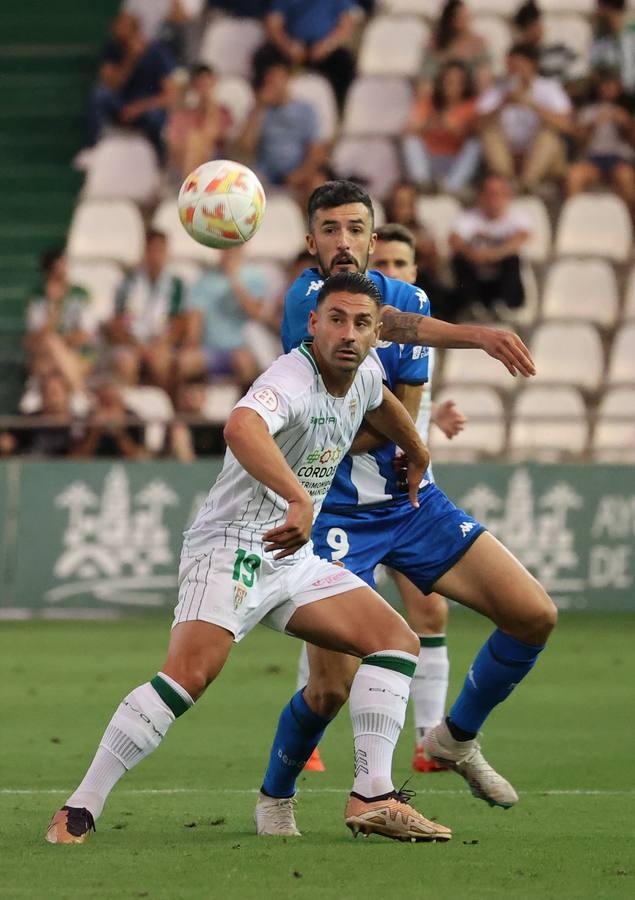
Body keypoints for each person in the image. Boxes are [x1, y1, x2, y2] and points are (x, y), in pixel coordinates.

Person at [46, 272, 453, 845]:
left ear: (375, 332)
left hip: (293, 557)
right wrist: (296, 495)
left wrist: (416, 447)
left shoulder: (364, 372)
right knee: (187, 678)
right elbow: (241, 425)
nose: (349, 333)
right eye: (336, 319)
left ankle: (372, 793)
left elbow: (381, 403)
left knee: (396, 640)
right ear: (313, 324)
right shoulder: (291, 375)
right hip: (234, 544)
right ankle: (79, 806)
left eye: (363, 323)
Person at [255, 179, 555, 838]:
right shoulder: (305, 302)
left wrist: (404, 435)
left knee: (532, 614)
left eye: (355, 229)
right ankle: (276, 793)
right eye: (328, 229)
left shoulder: (412, 298)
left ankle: (452, 737)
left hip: (406, 501)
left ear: (371, 234)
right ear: (311, 242)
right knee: (329, 689)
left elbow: (402, 418)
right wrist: (472, 334)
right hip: (330, 515)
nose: (342, 242)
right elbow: (352, 394)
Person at [302, 222, 467, 774]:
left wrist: (431, 416)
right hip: (345, 493)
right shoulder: (345, 319)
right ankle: (315, 739)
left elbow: (407, 398)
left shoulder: (416, 326)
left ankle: (427, 740)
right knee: (338, 625)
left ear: (414, 273)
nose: (391, 273)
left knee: (428, 608)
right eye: (386, 264)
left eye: (402, 265)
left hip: (406, 488)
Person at [179, 246, 281, 393]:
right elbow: (196, 316)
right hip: (210, 349)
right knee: (185, 363)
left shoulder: (255, 278)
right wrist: (191, 342)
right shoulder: (205, 279)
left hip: (242, 348)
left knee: (245, 363)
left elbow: (256, 313)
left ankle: (244, 409)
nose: (229, 252)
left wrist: (234, 280)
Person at [477, 43, 573, 191]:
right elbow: (477, 125)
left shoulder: (549, 88)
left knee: (549, 134)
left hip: (544, 160)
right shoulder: (498, 90)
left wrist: (531, 105)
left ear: (532, 66)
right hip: (508, 158)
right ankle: (507, 181)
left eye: (519, 66)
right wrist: (503, 104)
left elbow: (566, 124)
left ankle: (526, 184)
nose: (515, 71)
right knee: (489, 133)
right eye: (511, 66)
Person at [85, 11, 178, 163]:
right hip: (121, 104)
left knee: (155, 117)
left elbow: (170, 95)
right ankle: (93, 148)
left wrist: (139, 107)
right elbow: (110, 84)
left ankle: (158, 159)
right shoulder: (113, 49)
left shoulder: (157, 51)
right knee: (99, 95)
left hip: (146, 106)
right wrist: (130, 60)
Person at [104, 230, 189, 391]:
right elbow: (117, 322)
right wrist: (136, 345)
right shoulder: (128, 283)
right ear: (145, 252)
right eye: (152, 250)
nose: (156, 256)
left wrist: (160, 344)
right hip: (132, 343)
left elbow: (180, 323)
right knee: (125, 363)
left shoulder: (176, 285)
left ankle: (166, 407)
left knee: (161, 362)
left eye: (161, 251)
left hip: (162, 343)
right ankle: (131, 409)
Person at [235, 59, 326, 192]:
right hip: (265, 174)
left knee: (316, 183)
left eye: (276, 79)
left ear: (287, 79)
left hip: (297, 173)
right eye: (269, 80)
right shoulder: (260, 111)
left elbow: (316, 152)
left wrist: (299, 175)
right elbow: (244, 148)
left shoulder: (306, 110)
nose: (272, 84)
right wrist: (259, 108)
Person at [449, 175, 531, 320]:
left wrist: (490, 255)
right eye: (488, 193)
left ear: (506, 196)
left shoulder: (518, 218)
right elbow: (454, 240)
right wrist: (473, 254)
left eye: (497, 193)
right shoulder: (469, 218)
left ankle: (506, 306)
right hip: (478, 280)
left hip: (503, 281)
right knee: (458, 259)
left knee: (512, 259)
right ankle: (471, 305)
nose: (493, 199)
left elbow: (521, 239)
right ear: (480, 196)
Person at [24, 249, 97, 393]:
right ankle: (81, 393)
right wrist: (53, 311)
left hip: (79, 355)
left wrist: (57, 345)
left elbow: (84, 335)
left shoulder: (80, 294)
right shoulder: (38, 298)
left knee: (50, 348)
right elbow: (32, 340)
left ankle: (79, 392)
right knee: (45, 359)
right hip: (48, 358)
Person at [260, 0, 357, 110]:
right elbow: (273, 23)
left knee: (344, 62)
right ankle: (265, 107)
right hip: (291, 46)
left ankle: (339, 109)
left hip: (325, 48)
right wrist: (288, 46)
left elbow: (347, 23)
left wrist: (327, 45)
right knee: (263, 57)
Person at [403, 61, 481, 195]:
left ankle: (452, 187)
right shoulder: (428, 102)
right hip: (430, 159)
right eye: (448, 80)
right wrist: (432, 122)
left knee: (476, 145)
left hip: (455, 161)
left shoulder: (472, 105)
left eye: (458, 82)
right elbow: (410, 129)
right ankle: (423, 183)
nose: (452, 86)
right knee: (411, 141)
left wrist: (455, 128)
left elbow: (475, 132)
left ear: (465, 84)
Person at [566, 65, 635, 205]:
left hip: (620, 160)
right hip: (593, 160)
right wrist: (592, 126)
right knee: (574, 175)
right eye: (604, 84)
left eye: (611, 84)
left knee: (626, 178)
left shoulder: (628, 110)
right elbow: (580, 144)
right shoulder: (588, 110)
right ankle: (576, 219)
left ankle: (630, 223)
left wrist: (626, 125)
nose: (607, 88)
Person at [166, 64, 232, 180]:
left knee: (198, 140)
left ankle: (194, 183)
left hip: (217, 165)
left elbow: (222, 140)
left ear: (214, 83)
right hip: (186, 164)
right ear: (194, 86)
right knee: (194, 140)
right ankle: (193, 182)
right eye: (201, 84)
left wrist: (211, 108)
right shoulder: (183, 116)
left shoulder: (223, 113)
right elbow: (175, 148)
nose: (204, 88)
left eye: (207, 83)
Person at [420, 0, 491, 91]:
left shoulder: (478, 44)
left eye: (464, 16)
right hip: (441, 95)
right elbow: (426, 77)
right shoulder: (435, 44)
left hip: (469, 94)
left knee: (482, 74)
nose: (461, 20)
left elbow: (484, 79)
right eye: (457, 16)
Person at [71, 379, 148, 459]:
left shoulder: (134, 419)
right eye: (104, 402)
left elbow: (140, 459)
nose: (108, 410)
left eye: (111, 402)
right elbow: (77, 459)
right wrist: (94, 433)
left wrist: (120, 434)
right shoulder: (86, 419)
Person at [513, 0, 580, 83]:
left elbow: (577, 73)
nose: (538, 30)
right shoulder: (520, 56)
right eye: (532, 27)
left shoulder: (559, 49)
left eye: (538, 25)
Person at [590, 0, 635, 98]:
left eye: (601, 9)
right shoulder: (601, 36)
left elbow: (628, 77)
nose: (598, 12)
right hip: (609, 95)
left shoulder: (630, 33)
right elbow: (595, 67)